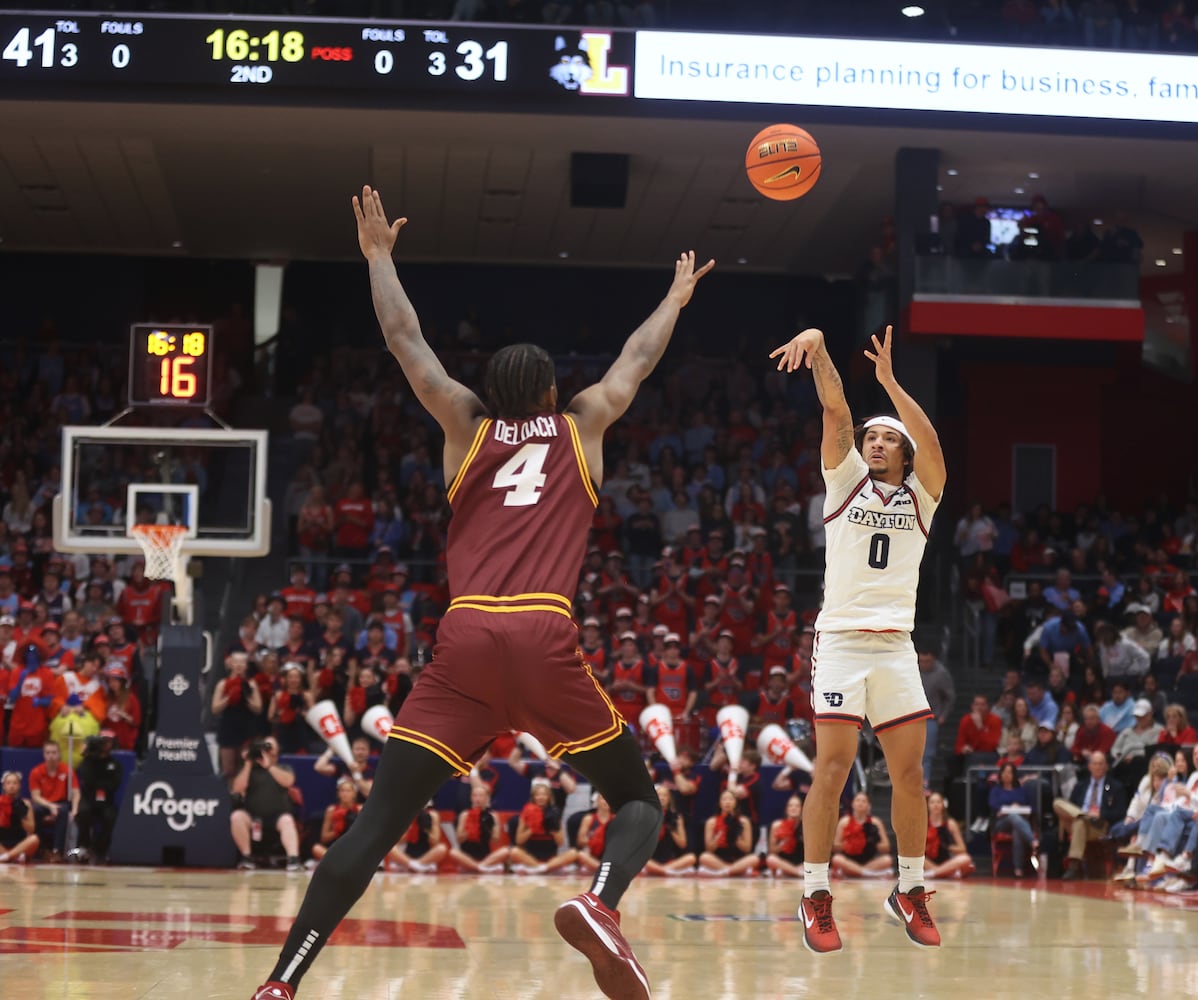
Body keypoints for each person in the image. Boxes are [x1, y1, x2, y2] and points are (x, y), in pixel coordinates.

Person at [250, 186, 713, 1000]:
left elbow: (405, 340)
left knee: (375, 825)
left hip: (464, 642)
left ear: (493, 392)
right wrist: (674, 297)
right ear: (546, 394)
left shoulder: (463, 426)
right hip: (542, 633)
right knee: (638, 798)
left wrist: (379, 256)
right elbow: (636, 360)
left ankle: (282, 985)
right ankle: (601, 904)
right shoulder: (584, 424)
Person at [770, 323, 946, 953]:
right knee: (834, 769)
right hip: (842, 643)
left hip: (896, 646)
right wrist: (818, 345)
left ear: (901, 452)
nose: (873, 442)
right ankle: (816, 894)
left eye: (884, 438)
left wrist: (893, 386)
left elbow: (929, 441)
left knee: (908, 775)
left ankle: (909, 887)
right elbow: (836, 409)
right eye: (869, 437)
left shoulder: (924, 496)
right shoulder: (844, 483)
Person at [1053, 751, 1128, 880]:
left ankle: (1073, 866)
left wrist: (1101, 814)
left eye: (1101, 764)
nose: (1098, 767)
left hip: (1099, 825)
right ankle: (1083, 816)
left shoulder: (1116, 786)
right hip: (1079, 820)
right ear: (1089, 766)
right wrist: (1084, 814)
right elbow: (1070, 806)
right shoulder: (1080, 785)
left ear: (1106, 766)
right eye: (1095, 764)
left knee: (1079, 823)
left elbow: (1121, 812)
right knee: (1058, 803)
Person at [230, 737, 302, 873]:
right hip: (253, 818)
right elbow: (237, 789)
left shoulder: (284, 768)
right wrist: (248, 763)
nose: (267, 750)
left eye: (270, 747)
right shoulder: (249, 770)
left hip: (277, 817)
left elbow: (288, 782)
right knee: (237, 816)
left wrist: (268, 765)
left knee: (287, 820)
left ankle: (293, 859)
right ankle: (246, 857)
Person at [69, 731, 123, 864]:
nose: (106, 744)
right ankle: (84, 846)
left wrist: (101, 785)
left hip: (107, 802)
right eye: (104, 741)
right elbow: (87, 780)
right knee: (83, 813)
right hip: (89, 799)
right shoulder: (88, 761)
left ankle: (100, 849)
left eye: (109, 741)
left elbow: (114, 785)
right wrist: (88, 754)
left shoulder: (115, 764)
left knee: (111, 816)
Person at [988, 763, 1038, 877]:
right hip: (1001, 823)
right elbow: (992, 804)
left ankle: (1018, 870)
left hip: (1019, 823)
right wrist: (1010, 808)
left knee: (1017, 831)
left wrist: (1019, 807)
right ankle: (1032, 841)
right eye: (1004, 772)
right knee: (1013, 816)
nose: (1007, 775)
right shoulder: (996, 790)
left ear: (1014, 775)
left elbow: (1030, 807)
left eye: (1010, 772)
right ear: (1000, 774)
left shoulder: (1021, 790)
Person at [697, 788, 760, 877]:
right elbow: (709, 849)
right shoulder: (711, 822)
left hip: (738, 860)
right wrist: (720, 834)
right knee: (704, 857)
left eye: (731, 799)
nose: (727, 802)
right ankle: (734, 871)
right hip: (718, 860)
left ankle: (725, 871)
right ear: (720, 803)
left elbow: (747, 848)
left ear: (736, 802)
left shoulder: (744, 821)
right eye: (724, 799)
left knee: (754, 858)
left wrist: (734, 835)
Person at [923, 792, 975, 880]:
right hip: (928, 862)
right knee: (916, 857)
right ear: (927, 805)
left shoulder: (950, 823)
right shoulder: (923, 823)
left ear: (943, 805)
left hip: (947, 862)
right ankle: (943, 873)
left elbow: (962, 848)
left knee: (966, 859)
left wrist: (948, 847)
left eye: (938, 802)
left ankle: (935, 873)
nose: (935, 805)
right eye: (932, 802)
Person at [0, 769, 39, 864]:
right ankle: (12, 856)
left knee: (34, 839)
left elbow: (31, 829)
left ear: (19, 786)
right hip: (2, 843)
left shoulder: (26, 804)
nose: (11, 786)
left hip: (20, 844)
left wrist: (20, 816)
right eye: (8, 783)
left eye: (15, 783)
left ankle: (7, 857)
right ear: (4, 786)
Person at [765, 793, 806, 878]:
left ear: (802, 809)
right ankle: (797, 873)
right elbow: (771, 851)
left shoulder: (806, 826)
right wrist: (783, 842)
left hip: (801, 862)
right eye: (790, 806)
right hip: (783, 862)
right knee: (770, 859)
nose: (793, 808)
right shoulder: (777, 825)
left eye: (797, 806)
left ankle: (794, 871)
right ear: (786, 809)